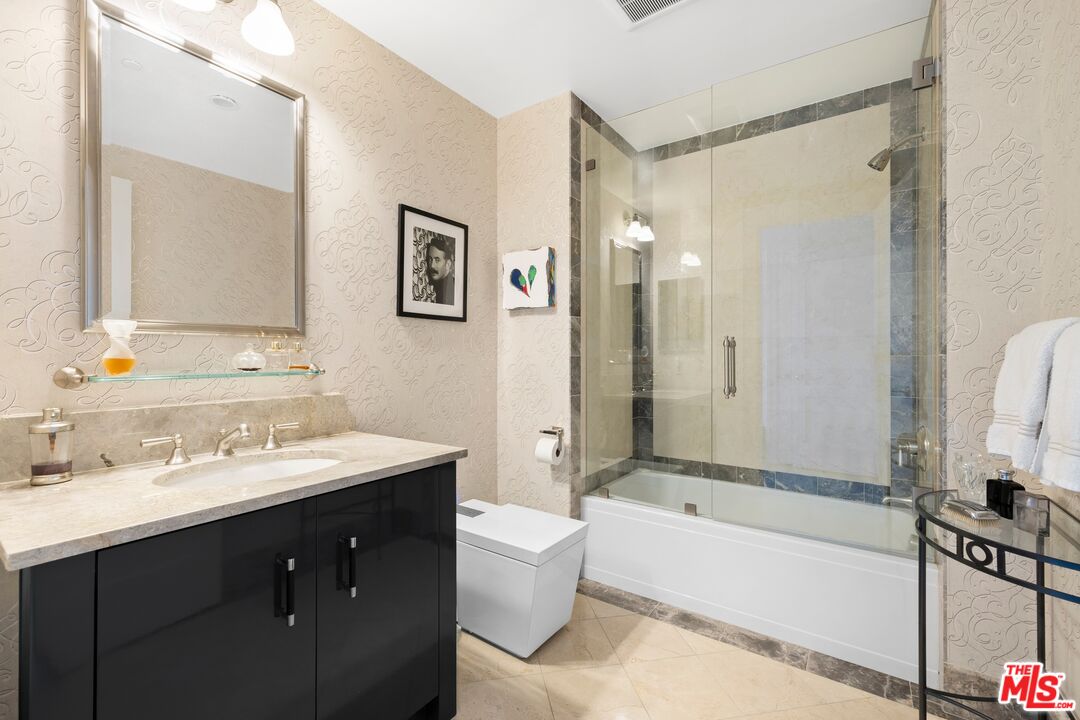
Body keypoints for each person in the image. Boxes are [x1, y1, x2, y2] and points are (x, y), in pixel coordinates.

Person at [426, 234, 455, 304]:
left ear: (448, 264)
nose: (432, 265)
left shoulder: (453, 289)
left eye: (437, 260)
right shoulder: (434, 286)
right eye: (430, 259)